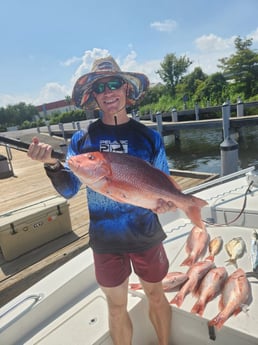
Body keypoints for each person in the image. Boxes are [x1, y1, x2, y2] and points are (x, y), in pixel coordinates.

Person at [28, 56, 174, 345]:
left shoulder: (149, 137)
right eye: (100, 87)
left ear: (126, 90)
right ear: (93, 96)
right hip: (106, 240)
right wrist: (53, 166)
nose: (108, 92)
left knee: (156, 296)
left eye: (114, 84)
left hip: (146, 234)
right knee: (116, 307)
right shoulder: (82, 141)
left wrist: (168, 201)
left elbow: (163, 181)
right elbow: (69, 190)